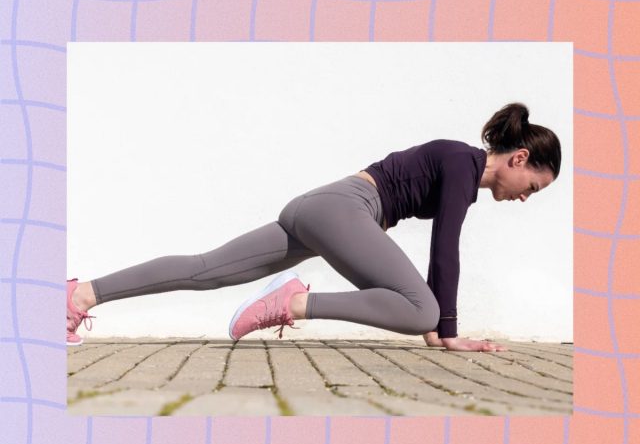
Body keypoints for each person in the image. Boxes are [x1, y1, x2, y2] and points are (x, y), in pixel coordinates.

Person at [66, 102, 561, 352]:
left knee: (206, 270)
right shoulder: (462, 164)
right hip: (343, 209)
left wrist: (432, 326)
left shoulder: (460, 168)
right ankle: (293, 302)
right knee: (421, 310)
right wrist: (445, 331)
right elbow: (444, 248)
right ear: (520, 158)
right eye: (532, 187)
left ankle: (80, 294)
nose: (523, 198)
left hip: (323, 209)